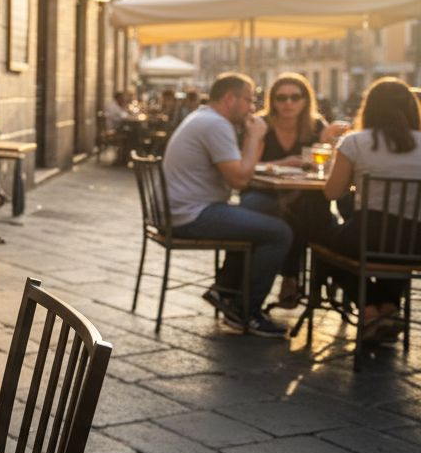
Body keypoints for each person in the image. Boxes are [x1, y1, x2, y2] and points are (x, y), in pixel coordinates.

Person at [163, 72, 293, 336]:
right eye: (248, 100)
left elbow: (242, 170)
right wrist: (255, 137)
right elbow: (239, 180)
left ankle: (224, 291)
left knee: (263, 205)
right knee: (280, 233)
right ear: (230, 99)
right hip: (192, 215)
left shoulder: (205, 118)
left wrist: (254, 141)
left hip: (183, 210)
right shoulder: (216, 125)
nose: (252, 107)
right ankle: (247, 312)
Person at [321, 77, 421, 341]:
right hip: (415, 243)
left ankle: (369, 309)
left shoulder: (355, 142)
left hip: (367, 234)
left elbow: (332, 192)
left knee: (322, 243)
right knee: (398, 246)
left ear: (370, 108)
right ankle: (388, 307)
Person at [238, 73, 349, 307]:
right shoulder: (260, 124)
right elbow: (245, 165)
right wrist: (281, 163)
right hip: (263, 192)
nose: (288, 103)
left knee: (306, 211)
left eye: (295, 97)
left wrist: (328, 143)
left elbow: (329, 170)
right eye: (281, 97)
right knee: (312, 219)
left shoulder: (317, 125)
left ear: (305, 100)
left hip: (303, 196)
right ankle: (300, 280)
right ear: (273, 100)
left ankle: (292, 279)